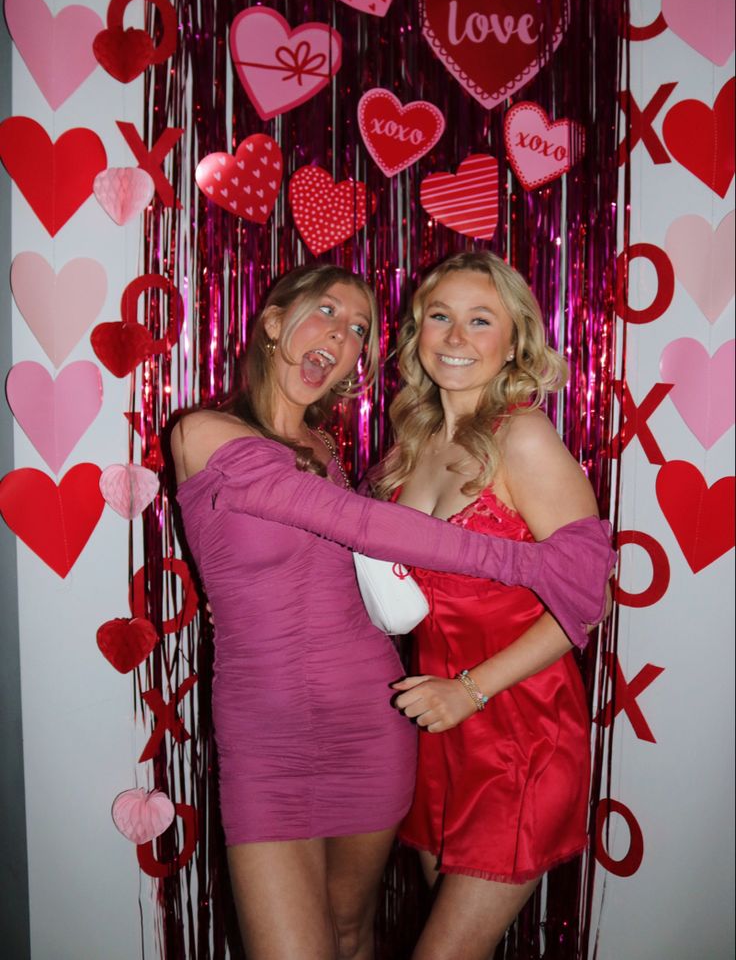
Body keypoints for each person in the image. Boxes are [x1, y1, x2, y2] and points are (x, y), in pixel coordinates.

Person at [170, 263, 615, 960]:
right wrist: (527, 564)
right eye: (324, 312)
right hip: (302, 733)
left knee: (356, 938)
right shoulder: (216, 434)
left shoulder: (343, 454)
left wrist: (477, 677)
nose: (340, 334)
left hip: (433, 722)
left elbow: (580, 598)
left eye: (356, 329)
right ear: (272, 322)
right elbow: (361, 535)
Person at [371, 250, 610, 960]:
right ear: (417, 333)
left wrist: (470, 692)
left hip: (520, 730)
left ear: (515, 342)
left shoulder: (523, 437)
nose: (454, 337)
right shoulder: (408, 450)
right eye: (439, 318)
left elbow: (583, 600)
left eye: (480, 321)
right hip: (438, 732)